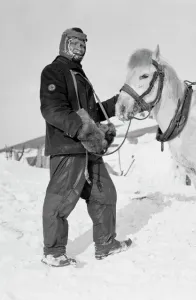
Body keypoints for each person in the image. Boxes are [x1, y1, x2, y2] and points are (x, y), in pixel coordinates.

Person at [39, 27, 132, 267]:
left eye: (83, 45)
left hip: (89, 147)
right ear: (64, 44)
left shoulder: (80, 76)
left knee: (105, 195)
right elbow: (52, 109)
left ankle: (106, 244)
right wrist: (82, 130)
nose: (80, 48)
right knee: (60, 201)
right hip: (68, 148)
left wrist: (121, 102)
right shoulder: (54, 72)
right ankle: (53, 252)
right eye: (75, 43)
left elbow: (94, 112)